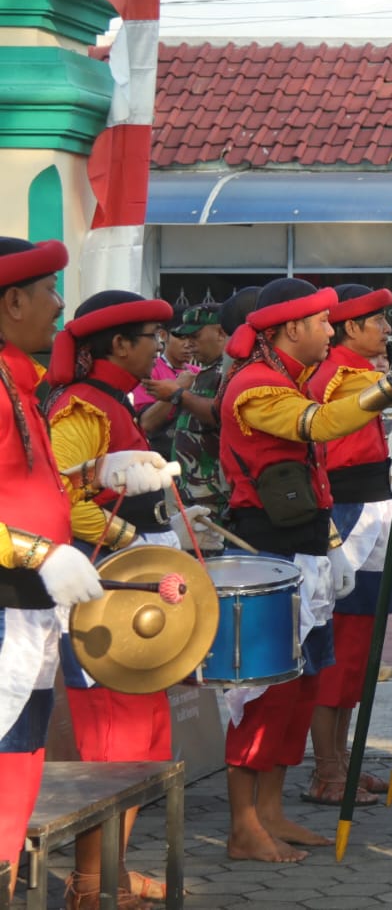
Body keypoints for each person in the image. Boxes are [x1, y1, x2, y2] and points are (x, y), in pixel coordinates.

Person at [216, 276, 392, 861]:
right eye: (320, 323)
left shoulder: (284, 377)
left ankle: (271, 812)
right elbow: (317, 425)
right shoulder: (255, 386)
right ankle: (242, 824)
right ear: (290, 328)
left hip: (306, 546)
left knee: (300, 685)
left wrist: (331, 542)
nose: (328, 331)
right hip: (268, 555)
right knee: (260, 692)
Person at [0, 238, 166, 905]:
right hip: (11, 599)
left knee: (18, 771)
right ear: (11, 301)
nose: (57, 305)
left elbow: (39, 486)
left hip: (30, 603)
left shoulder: (19, 380)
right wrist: (43, 550)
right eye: (47, 291)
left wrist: (100, 479)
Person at [44, 289, 194, 908]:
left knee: (143, 734)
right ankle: (89, 882)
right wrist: (133, 537)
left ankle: (110, 868)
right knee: (114, 739)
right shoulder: (82, 406)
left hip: (128, 580)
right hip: (103, 582)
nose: (159, 348)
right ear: (118, 345)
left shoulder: (113, 401)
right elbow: (62, 496)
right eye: (148, 338)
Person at [302, 285, 392, 807]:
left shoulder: (355, 371)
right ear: (351, 328)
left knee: (360, 652)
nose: (387, 329)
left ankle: (340, 763)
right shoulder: (342, 374)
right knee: (341, 652)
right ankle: (326, 771)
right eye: (379, 321)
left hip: (370, 506)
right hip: (349, 514)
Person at [170, 304, 230, 540]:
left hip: (212, 495)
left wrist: (176, 394)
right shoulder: (203, 372)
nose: (188, 344)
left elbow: (215, 415)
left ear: (220, 333)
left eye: (195, 336)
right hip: (193, 492)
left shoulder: (225, 372)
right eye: (185, 338)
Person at [132, 316, 196, 460]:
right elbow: (147, 423)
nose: (188, 344)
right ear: (163, 335)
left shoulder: (197, 373)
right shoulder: (150, 370)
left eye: (193, 337)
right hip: (160, 460)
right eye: (181, 337)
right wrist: (177, 389)